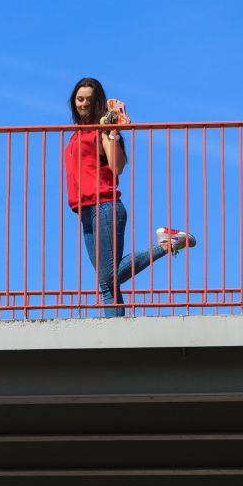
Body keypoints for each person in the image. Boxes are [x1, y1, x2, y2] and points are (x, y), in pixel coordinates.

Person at [63, 77, 197, 317]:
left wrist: (111, 132)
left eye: (89, 100)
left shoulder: (102, 128)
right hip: (84, 210)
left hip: (104, 205)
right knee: (107, 283)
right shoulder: (76, 133)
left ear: (98, 103)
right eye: (80, 99)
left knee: (109, 275)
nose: (84, 104)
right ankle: (114, 334)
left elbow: (117, 166)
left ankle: (168, 244)